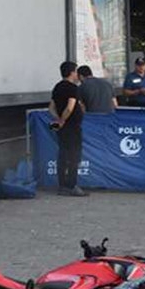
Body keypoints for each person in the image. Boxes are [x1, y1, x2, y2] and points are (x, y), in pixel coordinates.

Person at [49, 61, 87, 196]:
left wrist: (58, 120)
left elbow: (51, 107)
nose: (77, 74)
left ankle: (62, 186)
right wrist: (63, 119)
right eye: (76, 71)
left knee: (63, 155)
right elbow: (70, 107)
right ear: (71, 73)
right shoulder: (73, 88)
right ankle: (72, 185)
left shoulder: (57, 87)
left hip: (61, 128)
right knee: (74, 156)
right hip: (72, 126)